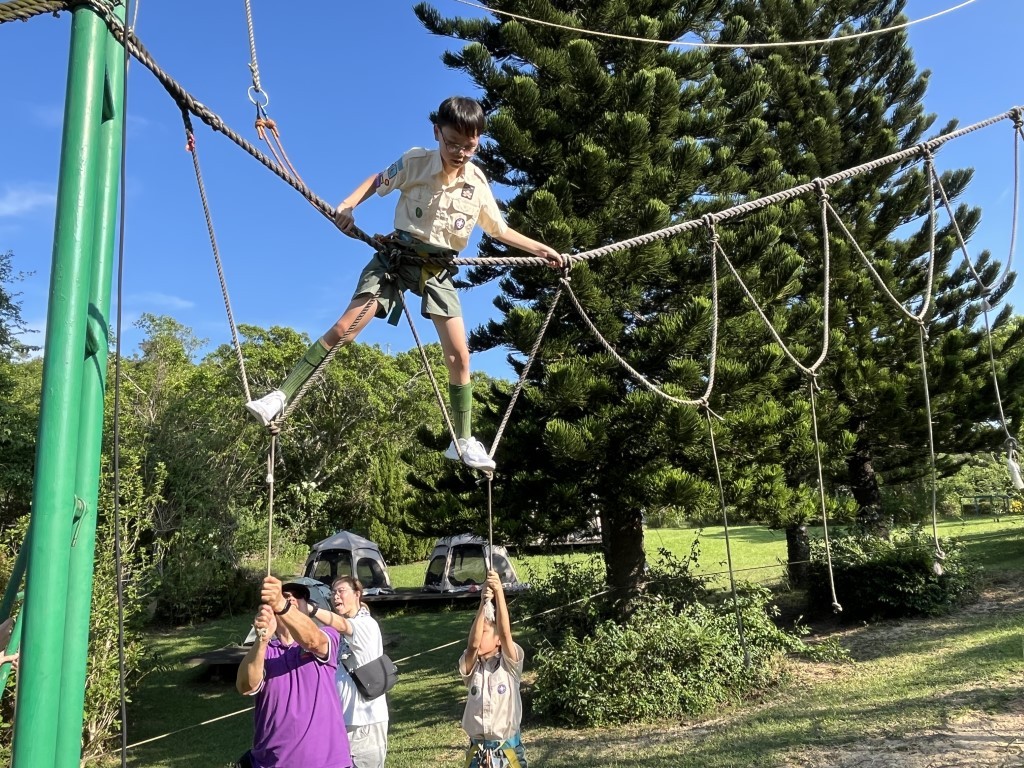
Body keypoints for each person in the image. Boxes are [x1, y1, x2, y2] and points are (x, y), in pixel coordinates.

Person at [245, 95, 563, 471]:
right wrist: (347, 206)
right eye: (452, 143)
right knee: (346, 329)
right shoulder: (416, 162)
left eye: (469, 146)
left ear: (478, 141)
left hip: (437, 269)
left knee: (460, 356)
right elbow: (377, 180)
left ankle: (462, 441)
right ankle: (280, 396)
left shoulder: (477, 182)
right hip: (396, 259)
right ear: (436, 132)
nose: (460, 153)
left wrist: (542, 249)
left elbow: (499, 229)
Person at [235, 576, 352, 768]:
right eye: (285, 595)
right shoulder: (265, 651)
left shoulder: (327, 635)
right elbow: (245, 686)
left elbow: (314, 641)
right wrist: (262, 640)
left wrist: (281, 604)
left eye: (299, 596)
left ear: (308, 607)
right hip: (271, 763)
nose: (291, 599)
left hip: (328, 763)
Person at [307, 576, 389, 768]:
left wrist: (312, 609)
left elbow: (342, 625)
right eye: (333, 592)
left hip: (365, 723)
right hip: (341, 723)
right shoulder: (340, 630)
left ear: (357, 594)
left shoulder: (366, 624)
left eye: (341, 591)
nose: (335, 596)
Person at [459, 570, 528, 768]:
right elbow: (472, 645)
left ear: (497, 640)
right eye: (477, 632)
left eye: (484, 632)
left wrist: (499, 592)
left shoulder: (510, 666)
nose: (479, 637)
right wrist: (483, 602)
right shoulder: (472, 667)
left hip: (508, 751)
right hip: (478, 753)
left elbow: (505, 633)